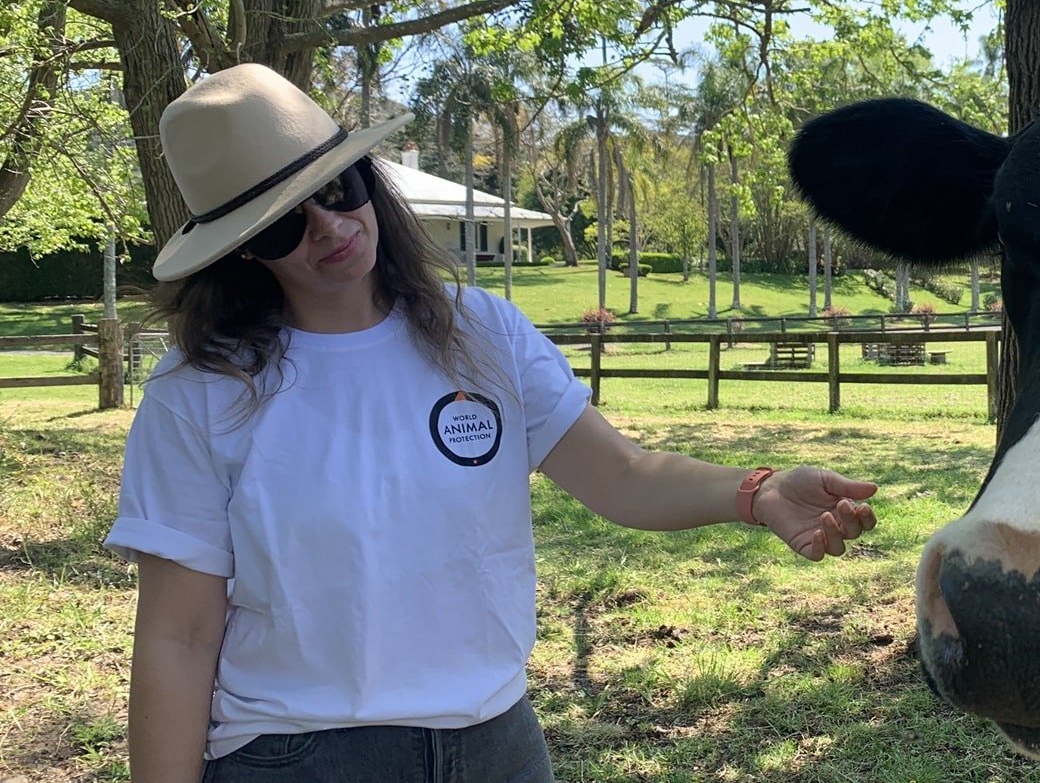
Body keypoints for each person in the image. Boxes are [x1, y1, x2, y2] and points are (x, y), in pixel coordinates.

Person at [102, 63, 879, 783]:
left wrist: (760, 491)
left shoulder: (484, 334)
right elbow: (179, 636)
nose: (329, 228)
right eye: (280, 227)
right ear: (240, 252)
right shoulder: (201, 392)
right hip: (299, 753)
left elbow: (623, 475)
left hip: (497, 743)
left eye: (338, 189)